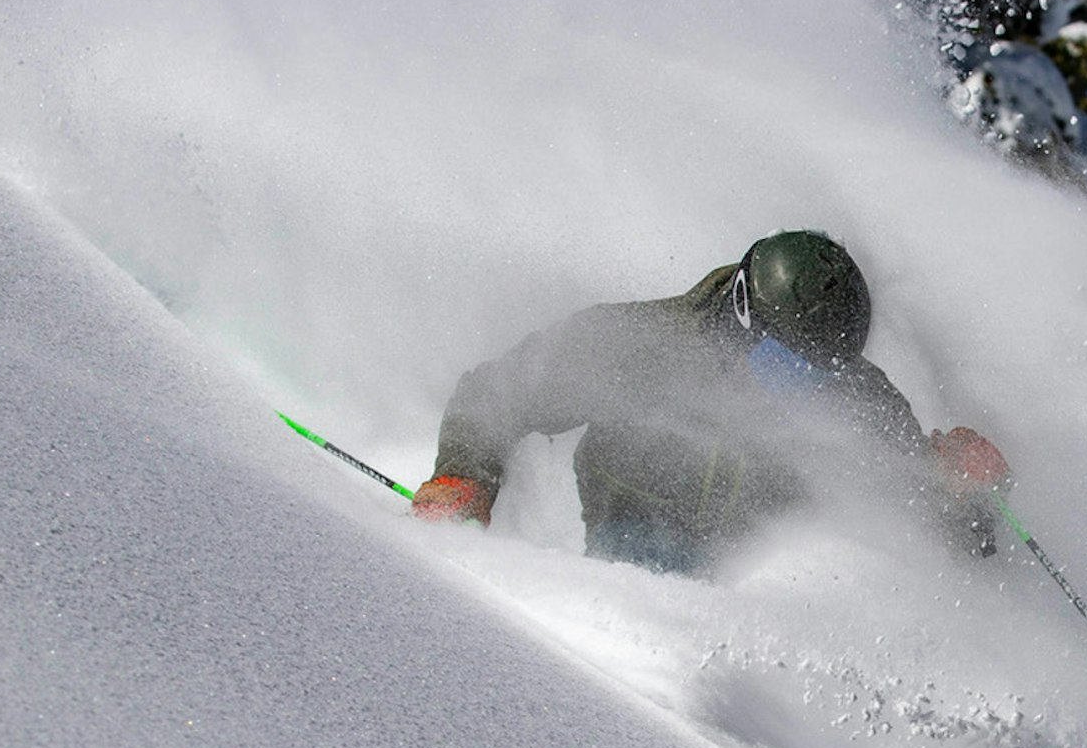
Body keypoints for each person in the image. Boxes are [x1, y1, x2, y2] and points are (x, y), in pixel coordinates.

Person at [410, 229, 1011, 574]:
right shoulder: (638, 346)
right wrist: (463, 476)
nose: (801, 388)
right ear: (741, 315)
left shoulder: (853, 397)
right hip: (636, 558)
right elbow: (499, 392)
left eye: (822, 374)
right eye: (784, 366)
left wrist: (968, 496)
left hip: (771, 582)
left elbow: (938, 528)